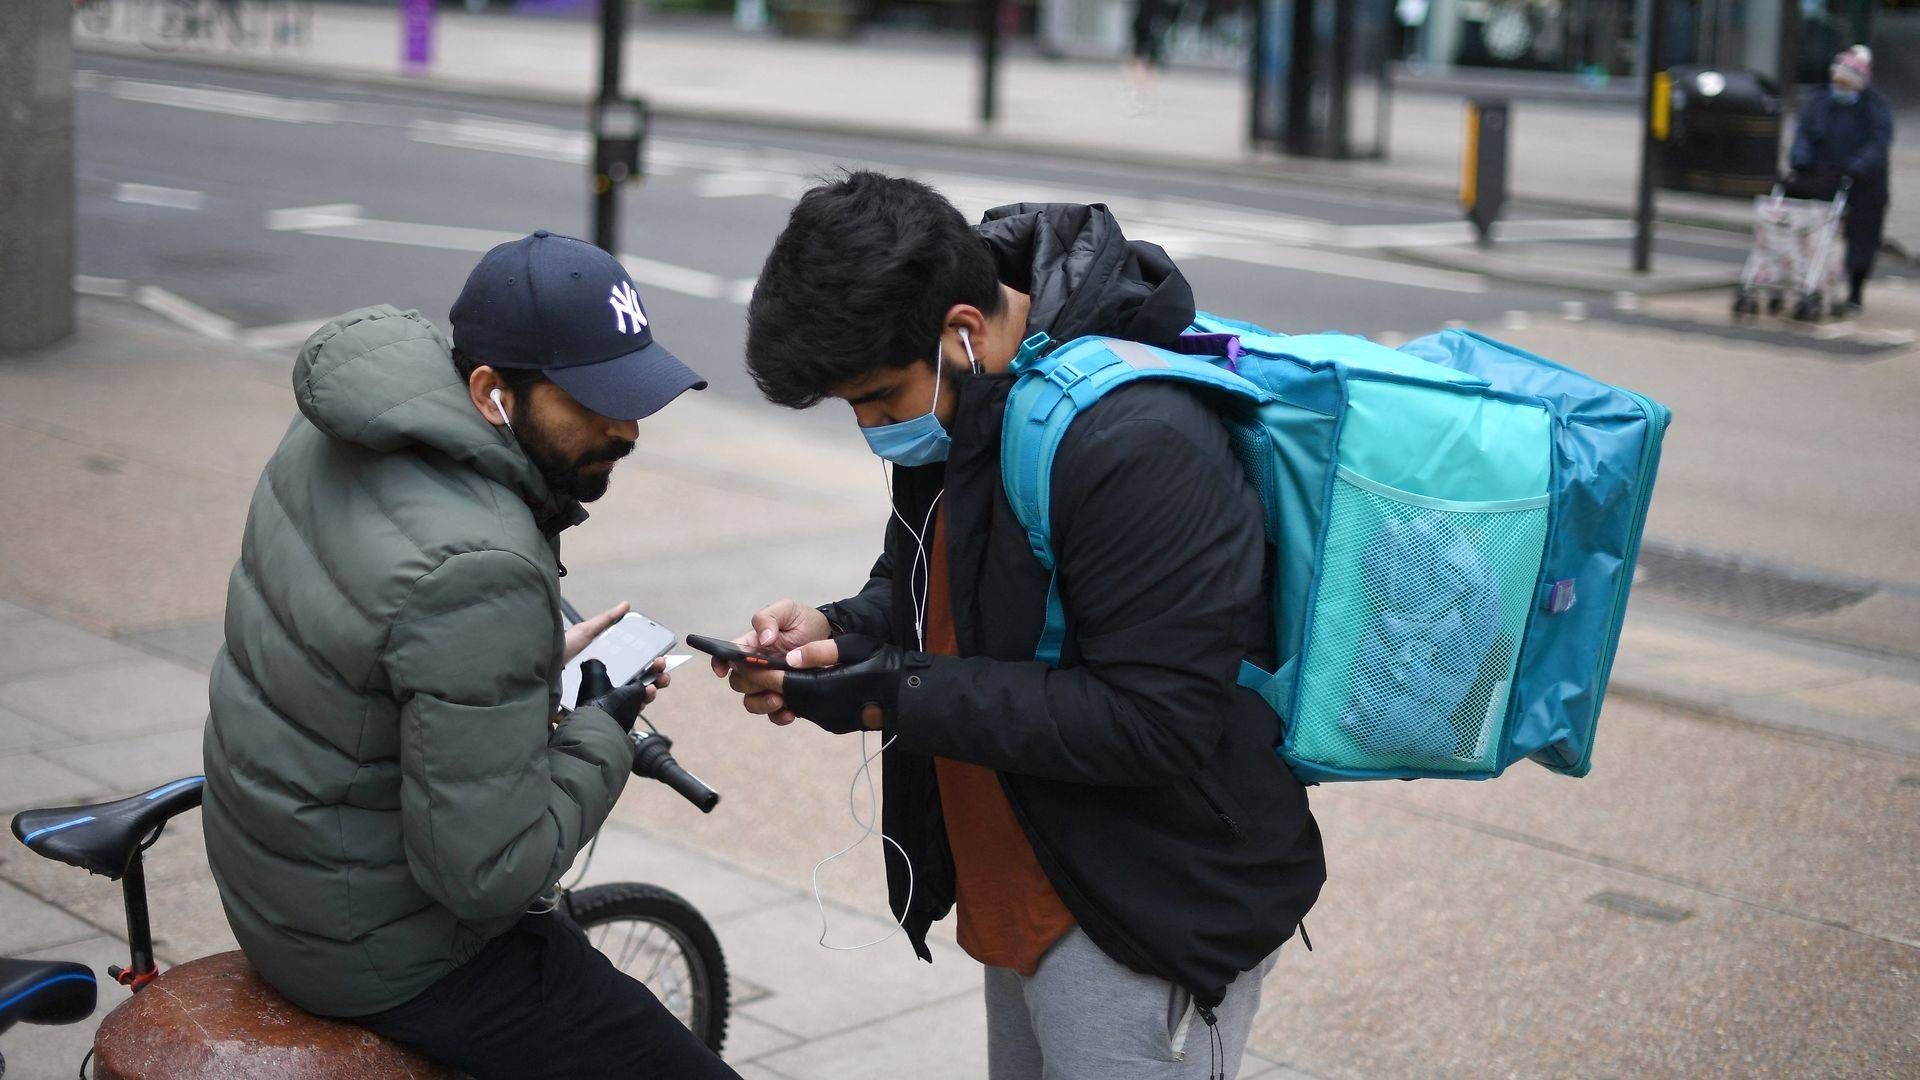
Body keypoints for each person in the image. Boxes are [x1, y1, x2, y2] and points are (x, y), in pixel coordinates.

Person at [718, 173, 1326, 1079]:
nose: (874, 429)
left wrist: (892, 693)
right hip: (1029, 873)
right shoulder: (969, 392)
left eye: (880, 398)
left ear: (963, 327)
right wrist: (837, 635)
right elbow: (934, 581)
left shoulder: (1139, 439)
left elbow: (1155, 721)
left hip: (1141, 906)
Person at [201, 231, 739, 1080]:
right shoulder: (478, 562)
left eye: (634, 395)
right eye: (592, 401)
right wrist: (600, 730)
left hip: (283, 877)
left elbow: (372, 635)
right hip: (376, 947)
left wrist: (502, 662)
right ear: (491, 392)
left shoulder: (348, 429)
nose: (627, 428)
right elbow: (487, 874)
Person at [1790, 45, 1894, 312]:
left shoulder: (1875, 107)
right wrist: (1801, 160)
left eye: (1846, 83)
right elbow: (1804, 134)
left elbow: (1878, 143)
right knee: (1815, 230)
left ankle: (1855, 289)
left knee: (1862, 237)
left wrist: (1859, 166)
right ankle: (1811, 281)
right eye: (1837, 81)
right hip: (1824, 178)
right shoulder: (1819, 101)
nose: (1840, 87)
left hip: (1864, 184)